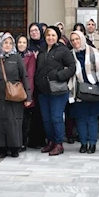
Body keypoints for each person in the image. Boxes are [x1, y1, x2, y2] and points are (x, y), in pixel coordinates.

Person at [35, 26, 77, 156]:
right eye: (48, 35)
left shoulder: (63, 50)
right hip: (43, 90)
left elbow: (72, 67)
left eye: (53, 35)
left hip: (58, 90)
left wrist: (59, 75)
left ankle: (59, 144)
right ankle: (51, 141)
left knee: (56, 118)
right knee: (46, 119)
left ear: (57, 37)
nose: (50, 37)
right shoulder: (41, 51)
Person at [0, 34, 31, 157]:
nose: (7, 45)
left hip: (14, 94)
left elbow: (24, 76)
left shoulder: (17, 57)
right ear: (0, 44)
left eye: (9, 43)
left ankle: (14, 147)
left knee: (14, 121)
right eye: (5, 43)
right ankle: (0, 148)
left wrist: (28, 96)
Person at [68, 30, 99, 153]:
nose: (75, 42)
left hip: (94, 89)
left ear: (82, 39)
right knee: (80, 119)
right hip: (78, 91)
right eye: (72, 40)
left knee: (92, 118)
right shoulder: (70, 55)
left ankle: (92, 143)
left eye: (77, 39)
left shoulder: (93, 52)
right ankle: (83, 143)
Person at [16, 35, 38, 151]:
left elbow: (30, 77)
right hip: (14, 93)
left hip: (25, 93)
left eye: (24, 42)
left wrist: (28, 96)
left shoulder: (30, 57)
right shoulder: (12, 55)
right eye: (19, 42)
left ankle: (23, 142)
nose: (21, 44)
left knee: (24, 121)